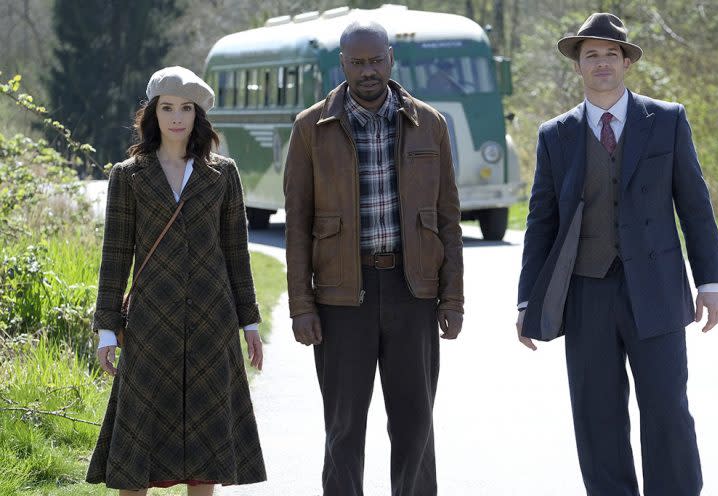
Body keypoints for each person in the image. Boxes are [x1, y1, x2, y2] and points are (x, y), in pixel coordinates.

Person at [516, 13, 718, 495]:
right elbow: (540, 223)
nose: (602, 62)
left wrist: (709, 283)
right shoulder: (556, 135)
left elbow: (694, 205)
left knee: (667, 410)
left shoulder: (667, 119)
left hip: (657, 292)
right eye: (592, 55)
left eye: (612, 54)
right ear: (578, 66)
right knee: (596, 415)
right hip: (585, 293)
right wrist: (528, 301)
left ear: (627, 62)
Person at [283, 21, 464, 496]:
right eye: (358, 62)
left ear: (391, 59)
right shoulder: (310, 128)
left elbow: (448, 220)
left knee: (415, 429)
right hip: (342, 300)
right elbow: (297, 225)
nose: (368, 71)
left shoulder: (430, 123)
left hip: (413, 293)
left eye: (376, 60)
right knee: (343, 431)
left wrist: (453, 300)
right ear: (341, 64)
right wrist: (301, 306)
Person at [87, 66, 266, 495]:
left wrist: (250, 323)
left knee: (206, 449)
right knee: (136, 449)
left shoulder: (223, 173)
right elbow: (115, 257)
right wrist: (107, 331)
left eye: (186, 108)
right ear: (152, 113)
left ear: (198, 115)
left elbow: (236, 254)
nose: (176, 118)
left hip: (212, 322)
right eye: (167, 108)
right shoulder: (128, 175)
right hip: (149, 324)